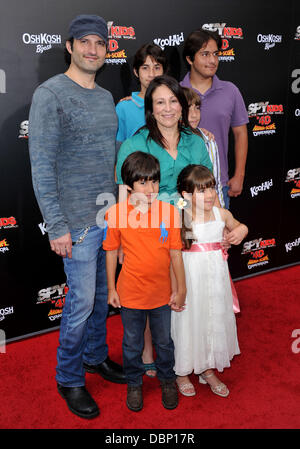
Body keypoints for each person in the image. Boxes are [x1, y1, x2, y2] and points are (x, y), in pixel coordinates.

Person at [28, 14, 125, 420]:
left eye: (99, 43)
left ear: (107, 50)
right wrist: (57, 225)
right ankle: (68, 377)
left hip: (107, 217)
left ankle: (95, 356)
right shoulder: (49, 95)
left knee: (102, 300)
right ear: (69, 46)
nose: (92, 49)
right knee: (82, 303)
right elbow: (41, 165)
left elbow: (111, 162)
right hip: (77, 225)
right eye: (84, 42)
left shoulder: (105, 98)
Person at [103, 151, 186, 412]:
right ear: (128, 186)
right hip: (130, 294)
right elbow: (110, 252)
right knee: (131, 343)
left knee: (164, 342)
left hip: (162, 293)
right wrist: (111, 288)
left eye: (154, 181)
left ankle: (167, 380)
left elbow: (175, 254)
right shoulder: (115, 214)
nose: (150, 189)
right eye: (142, 183)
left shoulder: (171, 213)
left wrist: (180, 288)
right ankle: (134, 383)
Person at [172, 164, 248, 397]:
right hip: (190, 280)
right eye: (201, 190)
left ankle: (207, 367)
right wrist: (177, 289)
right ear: (186, 195)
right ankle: (182, 371)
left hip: (216, 280)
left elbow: (239, 226)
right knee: (188, 321)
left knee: (211, 318)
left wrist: (241, 232)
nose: (210, 194)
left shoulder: (221, 213)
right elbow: (172, 256)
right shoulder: (180, 216)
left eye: (212, 188)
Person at [116, 74, 214, 204]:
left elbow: (210, 192)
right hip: (148, 222)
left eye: (173, 101)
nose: (168, 109)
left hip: (193, 221)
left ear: (181, 106)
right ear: (151, 109)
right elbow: (124, 201)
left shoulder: (197, 143)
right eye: (160, 102)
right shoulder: (132, 146)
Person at [181, 29, 249, 209]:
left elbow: (241, 134)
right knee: (184, 236)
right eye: (204, 54)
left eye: (215, 54)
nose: (212, 60)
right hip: (181, 188)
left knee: (218, 236)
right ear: (189, 59)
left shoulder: (230, 91)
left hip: (218, 186)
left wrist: (239, 175)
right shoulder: (175, 92)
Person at [182, 86, 225, 207]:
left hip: (205, 208)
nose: (194, 115)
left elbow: (215, 182)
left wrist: (219, 212)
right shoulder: (167, 142)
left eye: (197, 108)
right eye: (187, 109)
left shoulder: (209, 141)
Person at [116, 43, 167, 142]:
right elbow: (118, 148)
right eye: (145, 68)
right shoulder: (123, 108)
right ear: (136, 72)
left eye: (157, 68)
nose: (151, 74)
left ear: (163, 71)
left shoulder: (174, 105)